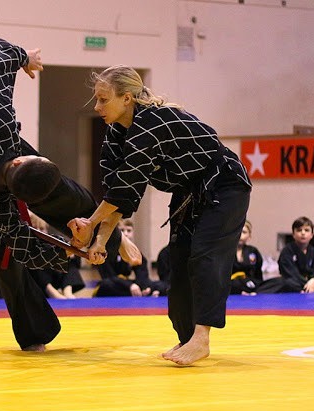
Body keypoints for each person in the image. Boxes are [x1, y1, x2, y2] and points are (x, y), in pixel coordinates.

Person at [0, 38, 141, 351]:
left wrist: (23, 57)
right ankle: (34, 334)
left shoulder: (2, 128)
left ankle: (113, 237)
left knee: (65, 192)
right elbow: (23, 243)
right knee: (4, 254)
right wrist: (76, 253)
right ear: (19, 160)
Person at [68, 65, 252, 365]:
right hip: (187, 191)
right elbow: (121, 194)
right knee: (178, 261)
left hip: (224, 183)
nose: (97, 107)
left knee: (205, 255)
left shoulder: (152, 122)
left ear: (127, 98)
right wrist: (101, 240)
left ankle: (202, 338)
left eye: (103, 99)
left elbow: (121, 190)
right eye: (96, 100)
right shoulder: (115, 137)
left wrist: (90, 223)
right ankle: (186, 339)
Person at [28, 214, 85, 299]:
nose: (39, 231)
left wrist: (68, 254)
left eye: (42, 229)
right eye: (36, 229)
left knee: (69, 260)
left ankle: (67, 289)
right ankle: (51, 292)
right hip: (39, 283)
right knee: (36, 262)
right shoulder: (27, 245)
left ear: (47, 230)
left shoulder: (53, 242)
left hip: (56, 277)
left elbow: (75, 259)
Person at [94, 219, 154, 297]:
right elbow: (109, 276)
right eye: (122, 230)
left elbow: (141, 272)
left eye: (129, 231)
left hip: (127, 284)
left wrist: (143, 286)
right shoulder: (105, 251)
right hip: (113, 283)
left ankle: (141, 292)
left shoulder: (134, 252)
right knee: (106, 285)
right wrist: (130, 285)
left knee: (156, 285)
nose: (125, 234)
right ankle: (134, 293)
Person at [230, 220, 263, 295]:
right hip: (231, 283)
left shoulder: (253, 251)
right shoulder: (226, 251)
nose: (240, 235)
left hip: (249, 282)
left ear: (249, 236)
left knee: (280, 282)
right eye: (238, 231)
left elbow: (258, 274)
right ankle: (241, 291)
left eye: (244, 232)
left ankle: (252, 290)